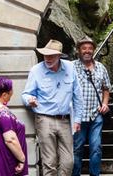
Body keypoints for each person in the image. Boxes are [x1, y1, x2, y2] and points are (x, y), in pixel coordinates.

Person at [21, 39, 83, 176]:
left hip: (65, 120)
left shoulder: (70, 68)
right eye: (45, 55)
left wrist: (78, 119)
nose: (47, 59)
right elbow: (25, 94)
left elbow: (77, 96)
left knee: (69, 161)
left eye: (51, 56)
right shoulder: (36, 70)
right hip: (44, 119)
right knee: (50, 162)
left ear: (59, 56)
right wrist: (29, 100)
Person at [72, 36, 111, 176]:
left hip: (96, 115)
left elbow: (106, 88)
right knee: (77, 148)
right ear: (78, 50)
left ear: (93, 50)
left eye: (90, 48)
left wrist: (105, 104)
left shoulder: (101, 67)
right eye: (84, 48)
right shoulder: (71, 67)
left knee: (96, 148)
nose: (87, 51)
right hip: (78, 116)